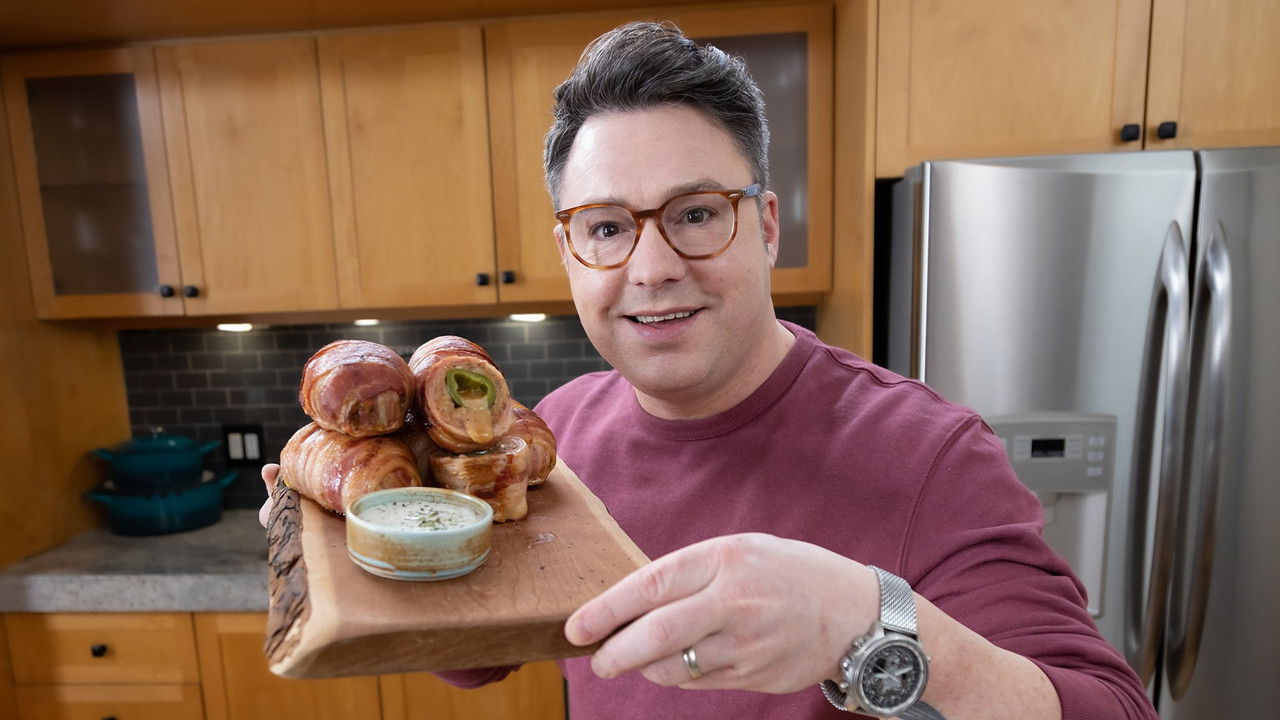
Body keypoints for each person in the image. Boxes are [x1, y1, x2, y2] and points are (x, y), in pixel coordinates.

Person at [262, 21, 1156, 720]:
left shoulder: (931, 455)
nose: (650, 267)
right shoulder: (552, 437)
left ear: (766, 225)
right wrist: (382, 530)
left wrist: (864, 618)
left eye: (695, 213)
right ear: (570, 252)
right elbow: (474, 655)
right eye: (607, 227)